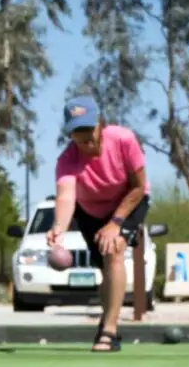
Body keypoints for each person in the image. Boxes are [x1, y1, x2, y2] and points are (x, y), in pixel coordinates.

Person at [47, 95, 151, 352]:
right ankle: (107, 320)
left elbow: (138, 187)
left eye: (89, 129)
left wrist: (116, 222)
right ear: (70, 134)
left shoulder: (124, 139)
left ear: (100, 124)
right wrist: (59, 226)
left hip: (129, 201)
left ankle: (110, 331)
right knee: (106, 267)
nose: (86, 138)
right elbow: (66, 196)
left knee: (114, 249)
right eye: (77, 132)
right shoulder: (67, 160)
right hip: (91, 211)